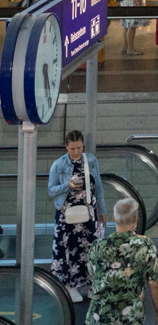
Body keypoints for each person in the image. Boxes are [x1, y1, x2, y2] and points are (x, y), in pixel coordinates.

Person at [50, 130, 105, 303]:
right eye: (72, 148)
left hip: (88, 211)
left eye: (79, 148)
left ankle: (91, 284)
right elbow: (51, 190)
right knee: (68, 249)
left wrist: (102, 210)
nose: (76, 152)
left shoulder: (91, 161)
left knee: (91, 248)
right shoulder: (59, 165)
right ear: (66, 146)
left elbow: (99, 187)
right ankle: (70, 286)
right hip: (67, 214)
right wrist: (67, 186)